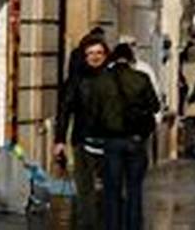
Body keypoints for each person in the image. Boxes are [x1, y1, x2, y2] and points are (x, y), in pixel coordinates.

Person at [98, 43, 160, 230]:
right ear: (131, 59)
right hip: (135, 140)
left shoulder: (102, 80)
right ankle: (133, 225)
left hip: (111, 140)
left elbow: (94, 110)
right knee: (134, 189)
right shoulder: (141, 78)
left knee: (112, 190)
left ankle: (112, 225)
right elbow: (155, 106)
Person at [53, 34, 111, 230]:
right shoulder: (76, 80)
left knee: (110, 191)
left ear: (106, 55)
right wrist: (59, 139)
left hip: (110, 141)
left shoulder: (113, 78)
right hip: (83, 139)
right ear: (84, 56)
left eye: (99, 53)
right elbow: (64, 110)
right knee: (85, 190)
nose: (95, 57)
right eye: (90, 53)